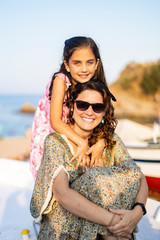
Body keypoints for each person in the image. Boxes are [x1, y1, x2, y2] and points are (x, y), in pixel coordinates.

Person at [30, 80, 148, 240]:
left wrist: (136, 213)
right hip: (64, 229)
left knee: (125, 175)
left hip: (100, 227)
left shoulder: (109, 140)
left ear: (104, 112)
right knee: (98, 179)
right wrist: (116, 223)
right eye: (82, 105)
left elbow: (138, 176)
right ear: (72, 106)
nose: (90, 112)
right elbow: (62, 194)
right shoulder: (55, 142)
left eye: (97, 107)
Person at [30, 36, 116, 179]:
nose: (84, 69)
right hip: (51, 135)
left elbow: (103, 118)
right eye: (77, 63)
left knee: (89, 164)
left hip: (74, 133)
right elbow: (55, 122)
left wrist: (101, 142)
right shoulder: (61, 80)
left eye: (89, 62)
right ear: (67, 65)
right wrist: (82, 142)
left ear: (97, 63)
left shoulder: (94, 85)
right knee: (59, 177)